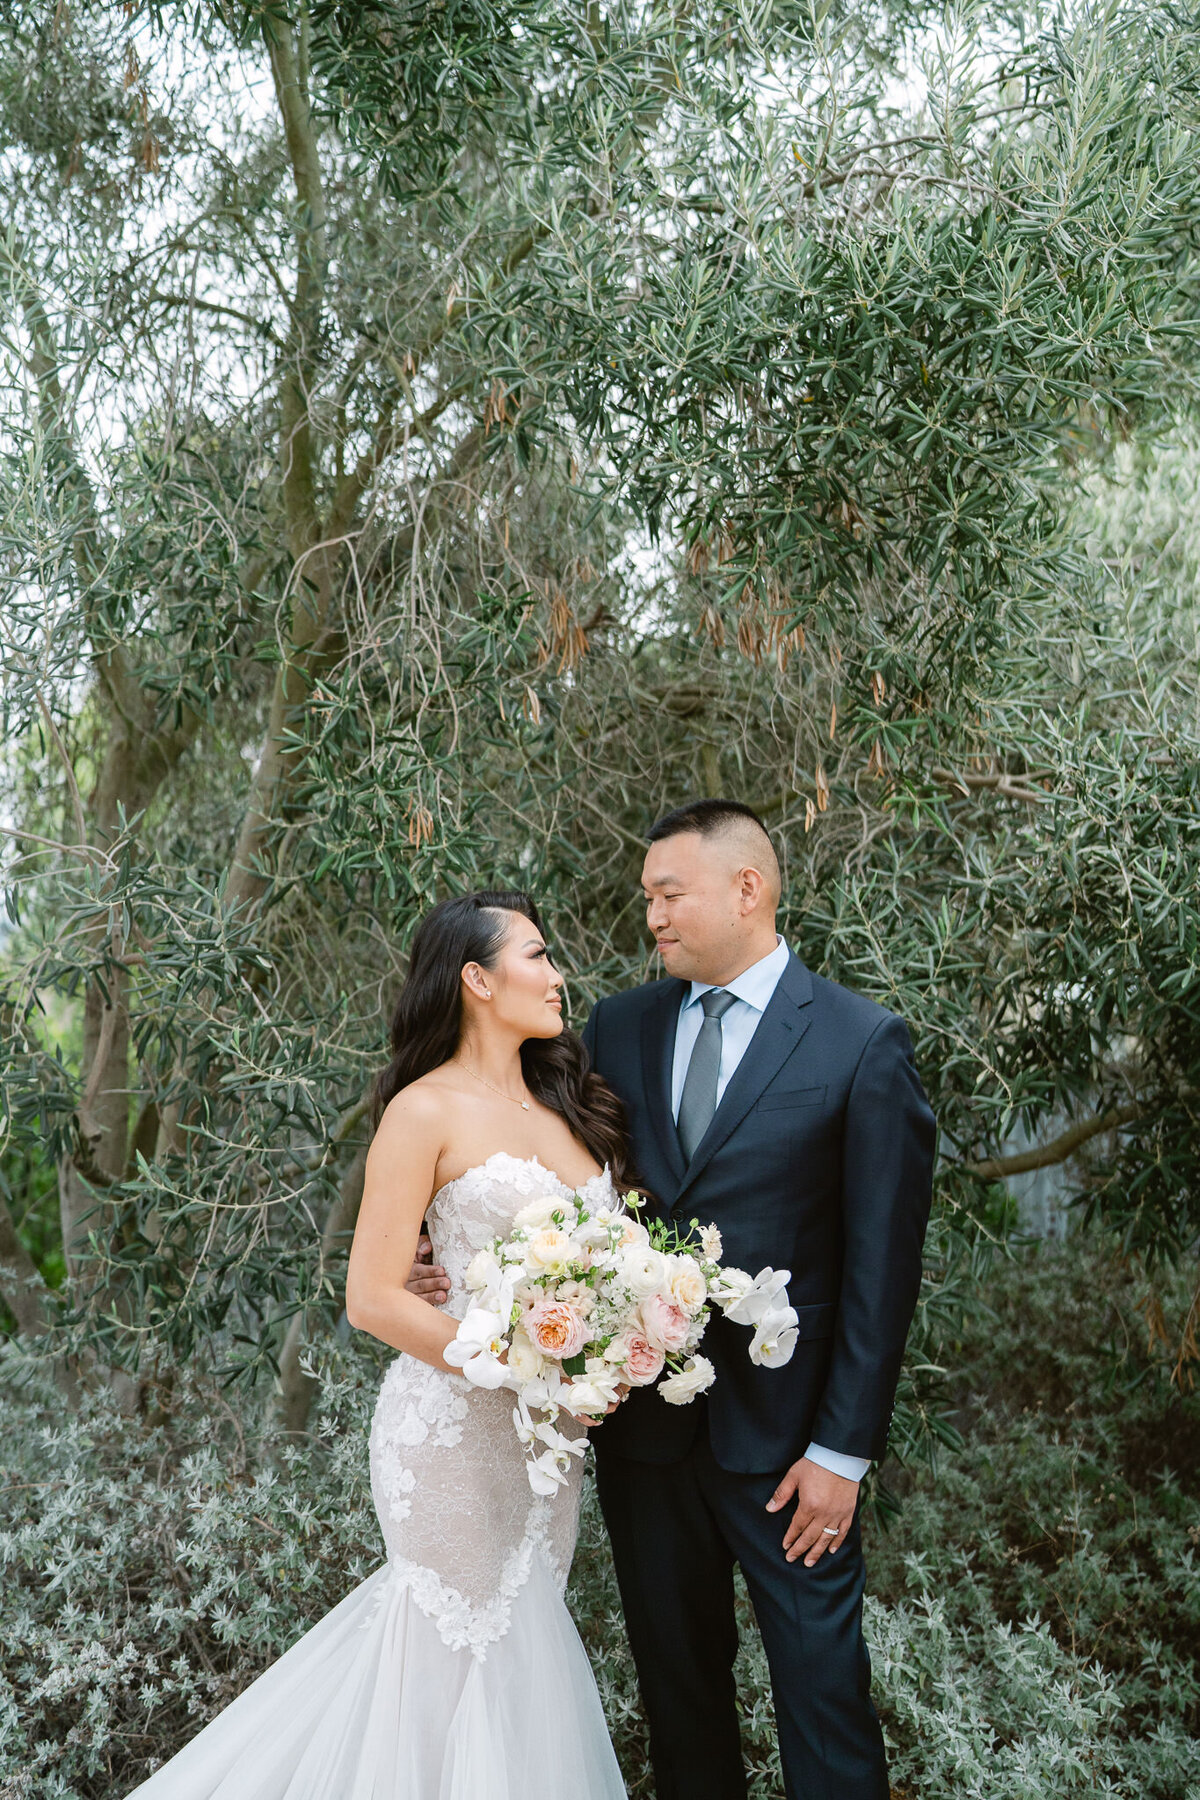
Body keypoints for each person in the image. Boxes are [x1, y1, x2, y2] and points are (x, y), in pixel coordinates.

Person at [412, 800, 936, 1800]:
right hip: (644, 1437)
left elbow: (883, 1269)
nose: (650, 916)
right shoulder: (620, 1026)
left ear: (748, 888)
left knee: (824, 1697)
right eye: (646, 896)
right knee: (679, 1695)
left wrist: (842, 1454)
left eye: (668, 894)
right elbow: (541, 1169)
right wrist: (441, 1247)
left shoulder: (862, 1045)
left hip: (792, 1453)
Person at [125, 890, 630, 1800]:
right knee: (448, 1658)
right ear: (476, 979)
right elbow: (371, 1299)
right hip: (450, 1438)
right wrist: (516, 1366)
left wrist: (613, 1351)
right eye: (538, 955)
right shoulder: (422, 1112)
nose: (558, 976)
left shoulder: (570, 1109)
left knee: (526, 1653)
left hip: (549, 1451)